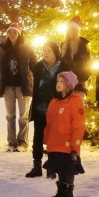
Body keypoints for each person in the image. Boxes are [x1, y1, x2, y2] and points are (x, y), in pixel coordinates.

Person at [43, 71, 85, 197]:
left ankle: (67, 189)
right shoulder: (54, 102)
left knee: (68, 168)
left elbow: (78, 125)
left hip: (68, 143)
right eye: (58, 81)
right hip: (56, 142)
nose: (59, 84)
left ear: (69, 85)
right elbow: (49, 123)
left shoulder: (75, 102)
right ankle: (61, 189)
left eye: (62, 82)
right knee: (59, 167)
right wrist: (47, 140)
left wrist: (75, 143)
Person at [0, 23, 34, 152]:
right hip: (8, 86)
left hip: (23, 86)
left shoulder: (27, 48)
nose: (12, 34)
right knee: (10, 115)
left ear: (19, 33)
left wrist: (29, 78)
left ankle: (22, 142)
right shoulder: (3, 49)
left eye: (14, 32)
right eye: (10, 32)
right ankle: (11, 141)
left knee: (23, 116)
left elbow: (34, 65)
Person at [25, 41, 61, 178]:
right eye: (44, 50)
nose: (45, 53)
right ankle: (37, 166)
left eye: (48, 51)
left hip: (56, 108)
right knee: (38, 136)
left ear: (55, 53)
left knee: (53, 137)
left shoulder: (63, 67)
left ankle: (51, 166)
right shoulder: (39, 66)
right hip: (40, 106)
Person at [60, 16, 92, 93]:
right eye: (68, 30)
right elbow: (61, 65)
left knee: (77, 104)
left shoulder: (83, 46)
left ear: (76, 31)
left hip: (80, 85)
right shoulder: (63, 46)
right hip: (65, 85)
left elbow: (87, 66)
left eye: (72, 30)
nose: (69, 32)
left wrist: (78, 80)